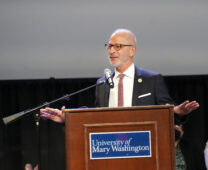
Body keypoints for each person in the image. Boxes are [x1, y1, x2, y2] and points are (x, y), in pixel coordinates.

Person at [40, 28, 199, 122]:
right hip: (112, 147)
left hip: (143, 147)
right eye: (109, 46)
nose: (111, 51)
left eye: (118, 46)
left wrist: (177, 112)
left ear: (132, 50)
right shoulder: (102, 83)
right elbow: (97, 116)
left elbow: (166, 113)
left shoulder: (152, 80)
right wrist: (66, 118)